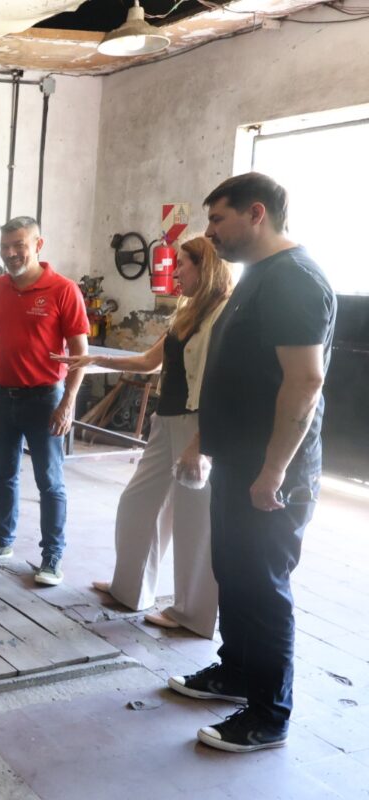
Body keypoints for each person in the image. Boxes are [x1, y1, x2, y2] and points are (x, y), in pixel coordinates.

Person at [167, 173, 335, 753]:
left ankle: (268, 714)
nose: (210, 232)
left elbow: (304, 381)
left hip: (271, 470)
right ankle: (235, 671)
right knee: (234, 573)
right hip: (239, 462)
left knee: (262, 587)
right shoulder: (259, 275)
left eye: (218, 219)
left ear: (256, 213)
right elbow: (236, 376)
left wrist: (274, 471)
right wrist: (206, 442)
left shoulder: (294, 279)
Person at [54, 237, 232, 636]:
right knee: (137, 502)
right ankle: (130, 589)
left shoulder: (222, 313)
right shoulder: (187, 311)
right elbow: (152, 361)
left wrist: (201, 443)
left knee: (193, 520)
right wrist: (97, 358)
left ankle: (194, 614)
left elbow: (221, 382)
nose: (175, 272)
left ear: (204, 267)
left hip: (195, 423)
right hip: (165, 420)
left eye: (182, 265)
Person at [0, 216, 89, 586]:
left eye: (19, 245)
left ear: (38, 244)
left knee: (49, 480)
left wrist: (67, 403)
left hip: (44, 399)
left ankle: (52, 557)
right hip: (2, 397)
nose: (11, 253)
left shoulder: (63, 290)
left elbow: (80, 354)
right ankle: (1, 541)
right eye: (5, 247)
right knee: (3, 473)